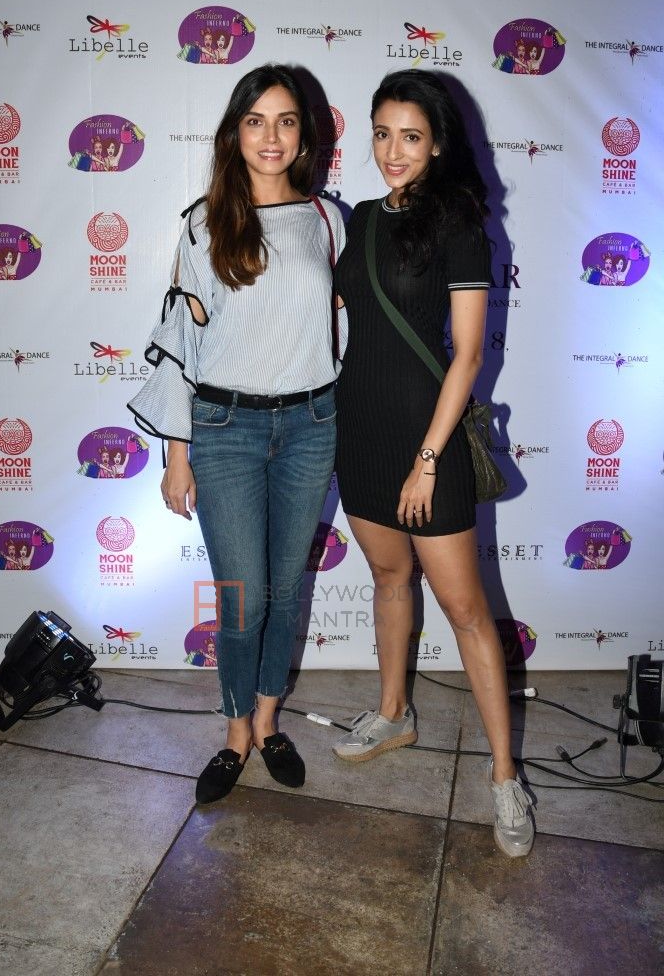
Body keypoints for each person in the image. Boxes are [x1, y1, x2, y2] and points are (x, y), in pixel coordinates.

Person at [128, 64, 344, 804]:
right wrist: (175, 456)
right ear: (234, 133)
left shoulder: (328, 220)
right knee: (243, 597)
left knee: (285, 592)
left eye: (286, 121)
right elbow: (180, 342)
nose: (271, 136)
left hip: (311, 426)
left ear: (305, 136)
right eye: (256, 121)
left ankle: (269, 721)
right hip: (225, 431)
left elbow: (344, 327)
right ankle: (234, 732)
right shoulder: (202, 223)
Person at [332, 70, 535, 858]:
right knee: (389, 579)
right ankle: (394, 714)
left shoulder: (459, 224)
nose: (393, 150)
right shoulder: (360, 218)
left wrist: (427, 459)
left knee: (467, 611)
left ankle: (505, 776)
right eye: (382, 133)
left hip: (429, 442)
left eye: (410, 136)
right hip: (360, 431)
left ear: (439, 143)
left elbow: (469, 354)